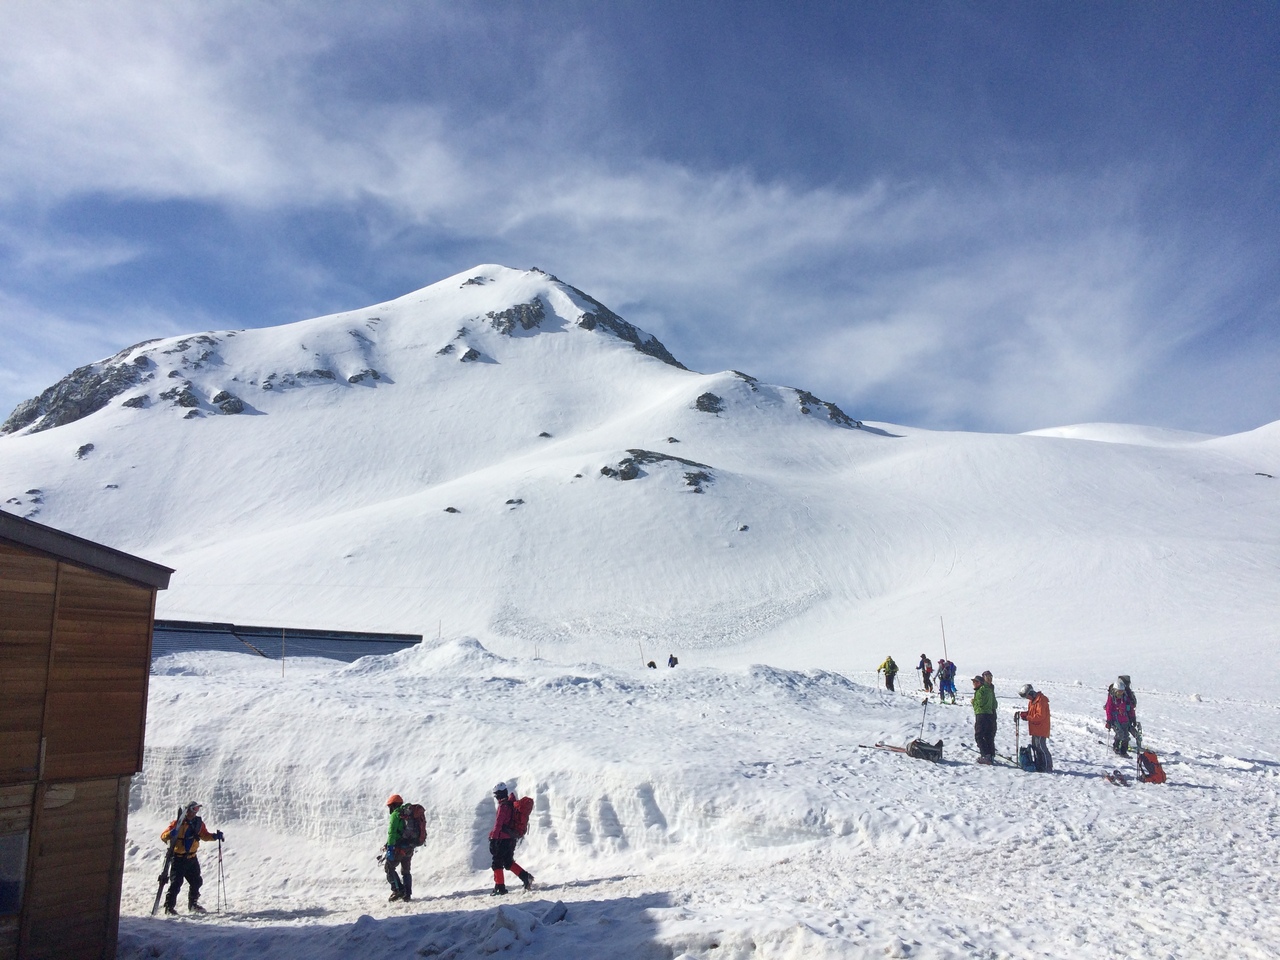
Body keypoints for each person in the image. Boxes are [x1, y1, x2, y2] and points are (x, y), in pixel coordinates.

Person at [159, 802, 223, 915]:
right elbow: (163, 836)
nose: (195, 812)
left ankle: (193, 904)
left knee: (196, 881)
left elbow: (204, 835)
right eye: (194, 809)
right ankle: (169, 907)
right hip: (178, 859)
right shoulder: (177, 823)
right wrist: (171, 833)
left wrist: (214, 836)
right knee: (176, 883)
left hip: (192, 858)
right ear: (187, 810)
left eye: (197, 809)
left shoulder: (198, 823)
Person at [488, 783, 533, 896]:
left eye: (496, 795)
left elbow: (498, 824)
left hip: (502, 839)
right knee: (508, 862)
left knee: (497, 863)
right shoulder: (511, 804)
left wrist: (493, 838)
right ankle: (526, 877)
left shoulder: (503, 807)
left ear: (499, 795)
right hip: (511, 838)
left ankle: (500, 887)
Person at [384, 793, 414, 902]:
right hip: (410, 846)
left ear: (393, 805)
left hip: (398, 847)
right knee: (406, 870)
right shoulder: (409, 814)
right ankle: (407, 894)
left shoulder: (396, 815)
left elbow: (392, 833)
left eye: (390, 806)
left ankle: (398, 890)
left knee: (389, 867)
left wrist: (390, 847)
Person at [1016, 683, 1052, 772]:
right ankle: (1040, 764)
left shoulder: (1041, 701)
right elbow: (1032, 713)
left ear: (1031, 693)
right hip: (1035, 728)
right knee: (1036, 747)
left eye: (1027, 696)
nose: (1027, 698)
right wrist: (1023, 714)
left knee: (1041, 747)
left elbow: (1040, 716)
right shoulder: (1032, 701)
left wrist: (1028, 717)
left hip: (1041, 729)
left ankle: (1047, 766)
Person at [1105, 678, 1141, 756]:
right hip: (1115, 719)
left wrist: (1133, 718)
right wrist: (1109, 721)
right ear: (1115, 691)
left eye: (1122, 692)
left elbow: (1130, 708)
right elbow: (1108, 709)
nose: (1120, 694)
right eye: (1119, 692)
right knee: (1120, 733)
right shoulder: (1111, 698)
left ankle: (1123, 751)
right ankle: (1116, 746)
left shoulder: (1125, 698)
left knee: (1126, 736)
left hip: (1124, 718)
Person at [971, 675, 997, 764]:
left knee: (979, 736)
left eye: (975, 682)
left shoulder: (980, 691)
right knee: (988, 736)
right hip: (990, 714)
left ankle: (985, 755)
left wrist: (973, 702)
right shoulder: (990, 689)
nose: (973, 684)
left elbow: (980, 703)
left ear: (980, 683)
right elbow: (995, 704)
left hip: (981, 714)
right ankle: (991, 755)